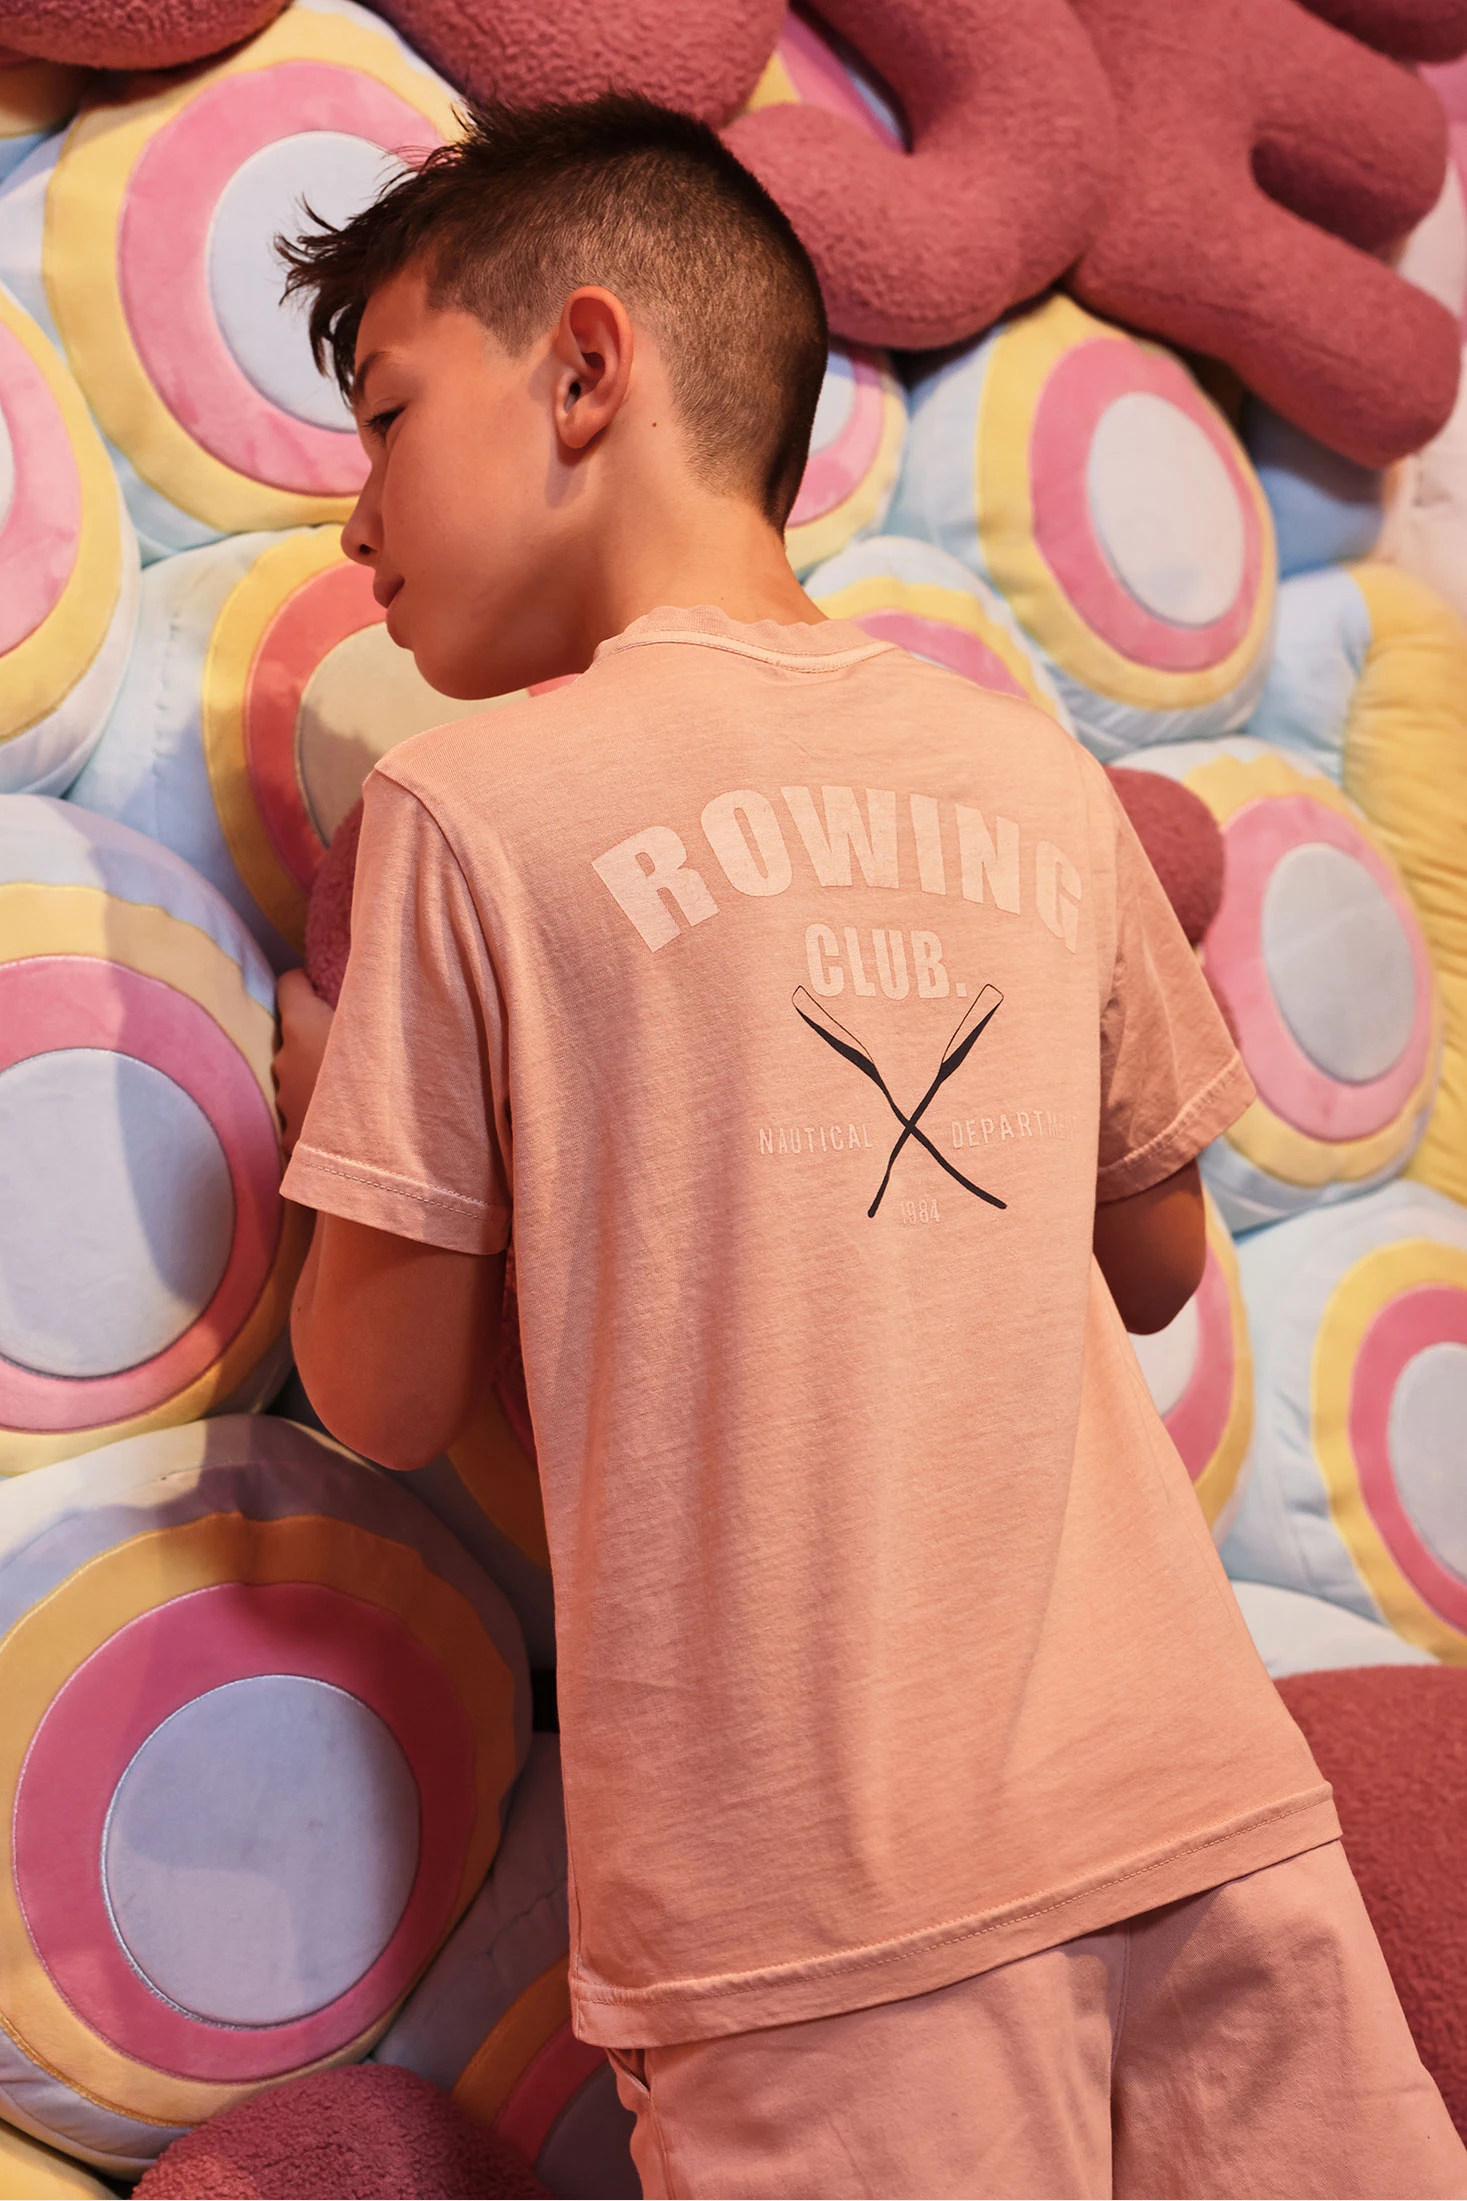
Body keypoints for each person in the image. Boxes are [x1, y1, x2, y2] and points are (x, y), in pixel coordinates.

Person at [272, 95, 1467, 2200]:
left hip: (816, 1902)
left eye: (382, 414)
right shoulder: (1031, 773)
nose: (353, 520)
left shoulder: (467, 819)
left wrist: (325, 1117)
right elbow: (1157, 1261)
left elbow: (374, 1392)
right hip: (1198, 1800)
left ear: (583, 367)